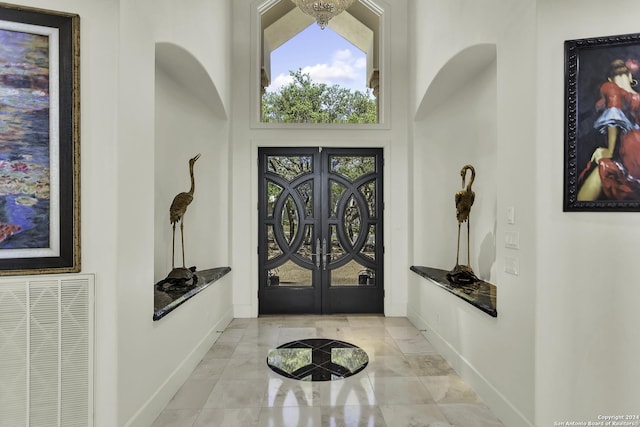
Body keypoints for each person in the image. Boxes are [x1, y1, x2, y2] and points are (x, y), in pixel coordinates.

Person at [577, 59, 640, 201]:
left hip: (629, 152)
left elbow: (613, 117)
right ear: (630, 77)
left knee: (584, 196)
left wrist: (609, 151)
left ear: (610, 79)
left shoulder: (611, 88)